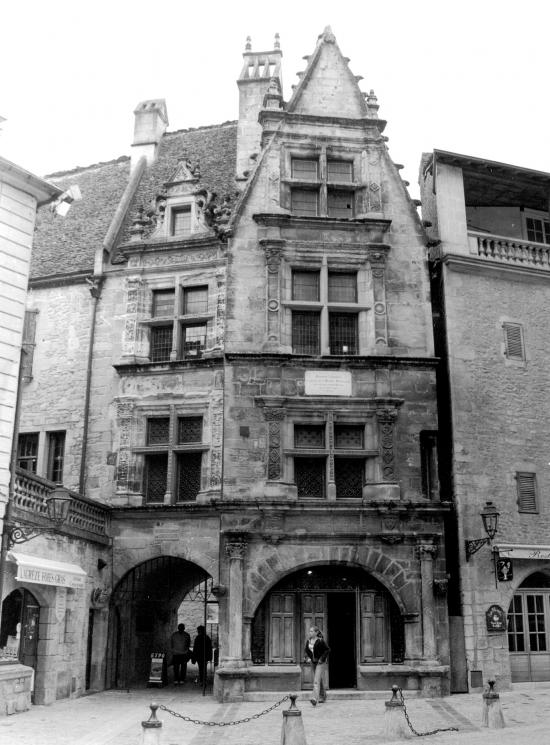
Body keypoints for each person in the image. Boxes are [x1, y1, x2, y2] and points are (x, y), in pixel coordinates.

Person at [304, 625, 330, 706]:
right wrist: (307, 658)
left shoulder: (320, 640)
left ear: (316, 632)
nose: (310, 633)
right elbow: (306, 650)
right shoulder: (308, 640)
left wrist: (321, 659)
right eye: (310, 631)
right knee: (319, 679)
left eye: (312, 631)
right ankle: (323, 696)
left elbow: (327, 650)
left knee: (316, 681)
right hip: (313, 662)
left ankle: (315, 698)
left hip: (320, 663)